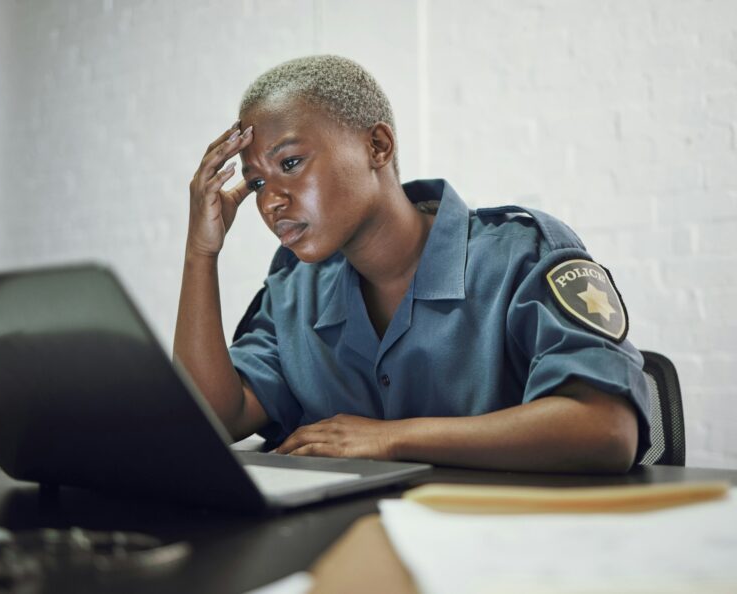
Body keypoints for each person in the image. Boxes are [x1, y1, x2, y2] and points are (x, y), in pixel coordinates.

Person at [174, 55, 651, 473]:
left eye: (292, 163)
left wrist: (389, 438)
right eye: (256, 183)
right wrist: (201, 253)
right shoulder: (293, 288)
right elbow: (211, 418)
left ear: (377, 146)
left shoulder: (520, 255)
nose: (272, 201)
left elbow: (606, 429)